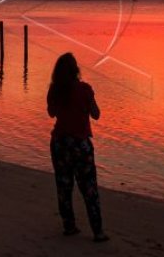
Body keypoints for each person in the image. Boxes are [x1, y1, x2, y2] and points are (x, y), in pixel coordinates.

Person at [46, 52, 109, 242]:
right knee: (89, 188)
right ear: (76, 71)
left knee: (64, 187)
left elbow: (51, 113)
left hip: (60, 144)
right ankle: (98, 232)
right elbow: (96, 114)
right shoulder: (85, 90)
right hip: (80, 145)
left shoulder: (55, 90)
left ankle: (70, 226)